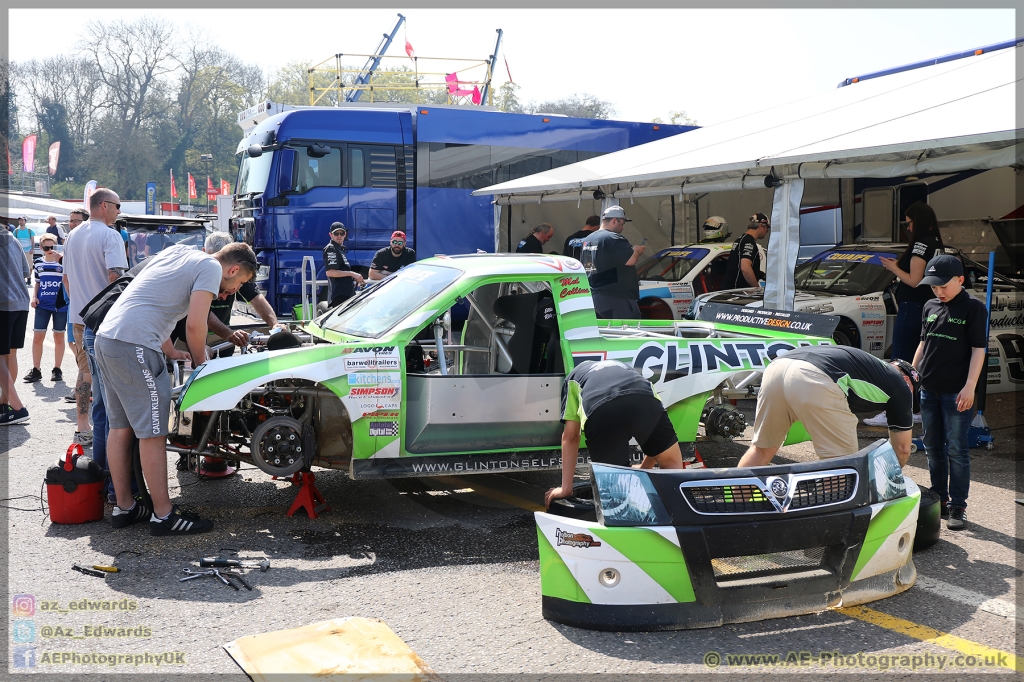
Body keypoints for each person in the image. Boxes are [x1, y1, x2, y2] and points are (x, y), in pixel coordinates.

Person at [95, 241, 257, 536]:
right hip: (136, 345)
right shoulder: (210, 267)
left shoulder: (179, 252)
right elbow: (196, 326)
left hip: (108, 339)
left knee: (120, 428)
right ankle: (164, 515)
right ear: (233, 269)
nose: (235, 290)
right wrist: (202, 365)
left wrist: (169, 350)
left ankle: (125, 506)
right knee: (154, 431)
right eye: (241, 282)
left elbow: (155, 300)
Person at [738, 345, 919, 467]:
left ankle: (732, 506)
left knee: (761, 448)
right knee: (842, 465)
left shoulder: (872, 367)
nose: (910, 397)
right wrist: (892, 481)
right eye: (913, 390)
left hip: (778, 367)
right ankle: (830, 522)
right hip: (815, 375)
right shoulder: (900, 386)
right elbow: (902, 450)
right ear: (906, 379)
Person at [544, 360, 684, 507]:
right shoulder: (625, 368)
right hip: (643, 398)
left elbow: (571, 436)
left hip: (601, 407)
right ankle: (678, 518)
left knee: (617, 494)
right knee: (672, 466)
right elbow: (654, 438)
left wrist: (566, 489)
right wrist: (645, 468)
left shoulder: (572, 378)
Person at [913, 255, 986, 531]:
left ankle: (958, 505)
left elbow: (979, 349)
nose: (938, 291)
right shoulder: (930, 305)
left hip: (957, 393)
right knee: (932, 446)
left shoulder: (973, 308)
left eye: (943, 286)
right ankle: (938, 499)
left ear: (960, 280)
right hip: (928, 390)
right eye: (933, 287)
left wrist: (970, 386)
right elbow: (923, 343)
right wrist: (911, 373)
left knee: (957, 449)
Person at [63, 190, 128, 468]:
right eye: (117, 206)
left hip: (79, 318)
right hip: (104, 322)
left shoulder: (73, 235)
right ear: (104, 206)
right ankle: (108, 463)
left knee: (85, 374)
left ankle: (83, 428)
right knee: (109, 400)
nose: (118, 211)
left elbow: (66, 279)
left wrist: (80, 303)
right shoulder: (110, 235)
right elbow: (117, 278)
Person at [865, 202, 945, 427]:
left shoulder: (921, 244)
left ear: (917, 222)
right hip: (927, 306)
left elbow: (914, 280)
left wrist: (894, 268)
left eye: (909, 223)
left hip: (913, 307)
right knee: (915, 361)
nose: (908, 227)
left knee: (901, 361)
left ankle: (896, 410)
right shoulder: (937, 243)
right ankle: (915, 408)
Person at [168, 232, 286, 354]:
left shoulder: (237, 274)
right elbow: (197, 321)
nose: (215, 269)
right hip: (187, 338)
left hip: (221, 338)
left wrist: (275, 324)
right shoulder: (198, 270)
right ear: (204, 252)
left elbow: (256, 298)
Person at [582, 205, 646, 319]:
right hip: (616, 297)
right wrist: (637, 251)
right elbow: (630, 260)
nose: (623, 228)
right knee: (626, 333)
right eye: (622, 223)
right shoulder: (613, 238)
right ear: (614, 220)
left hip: (595, 295)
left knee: (605, 333)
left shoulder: (589, 239)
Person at [23, 233, 67, 384]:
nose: (49, 249)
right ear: (41, 248)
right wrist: (34, 297)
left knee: (59, 337)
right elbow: (37, 282)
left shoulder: (63, 262)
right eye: (46, 247)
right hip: (43, 305)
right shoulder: (38, 263)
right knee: (37, 337)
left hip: (60, 306)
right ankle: (36, 369)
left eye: (52, 246)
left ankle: (57, 369)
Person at [0, 223, 31, 425]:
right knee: (11, 354)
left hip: (3, 302)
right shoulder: (12, 237)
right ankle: (4, 403)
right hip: (21, 301)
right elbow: (25, 271)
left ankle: (17, 408)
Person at [722, 213, 770, 289]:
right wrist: (756, 288)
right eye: (767, 228)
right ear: (761, 226)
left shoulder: (739, 240)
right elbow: (745, 268)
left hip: (729, 289)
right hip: (738, 292)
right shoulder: (749, 242)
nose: (767, 231)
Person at [323, 223, 363, 308]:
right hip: (339, 296)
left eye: (342, 233)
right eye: (336, 233)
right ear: (330, 234)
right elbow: (330, 272)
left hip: (346, 294)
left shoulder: (340, 249)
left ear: (345, 234)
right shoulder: (331, 248)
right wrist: (352, 274)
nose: (339, 236)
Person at [12, 217, 34, 282]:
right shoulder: (16, 231)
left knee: (30, 265)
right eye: (19, 220)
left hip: (28, 251)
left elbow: (32, 241)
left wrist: (32, 249)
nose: (21, 222)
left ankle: (29, 277)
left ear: (25, 221)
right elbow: (13, 240)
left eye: (22, 220)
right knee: (20, 265)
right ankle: (23, 277)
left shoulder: (30, 231)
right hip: (19, 251)